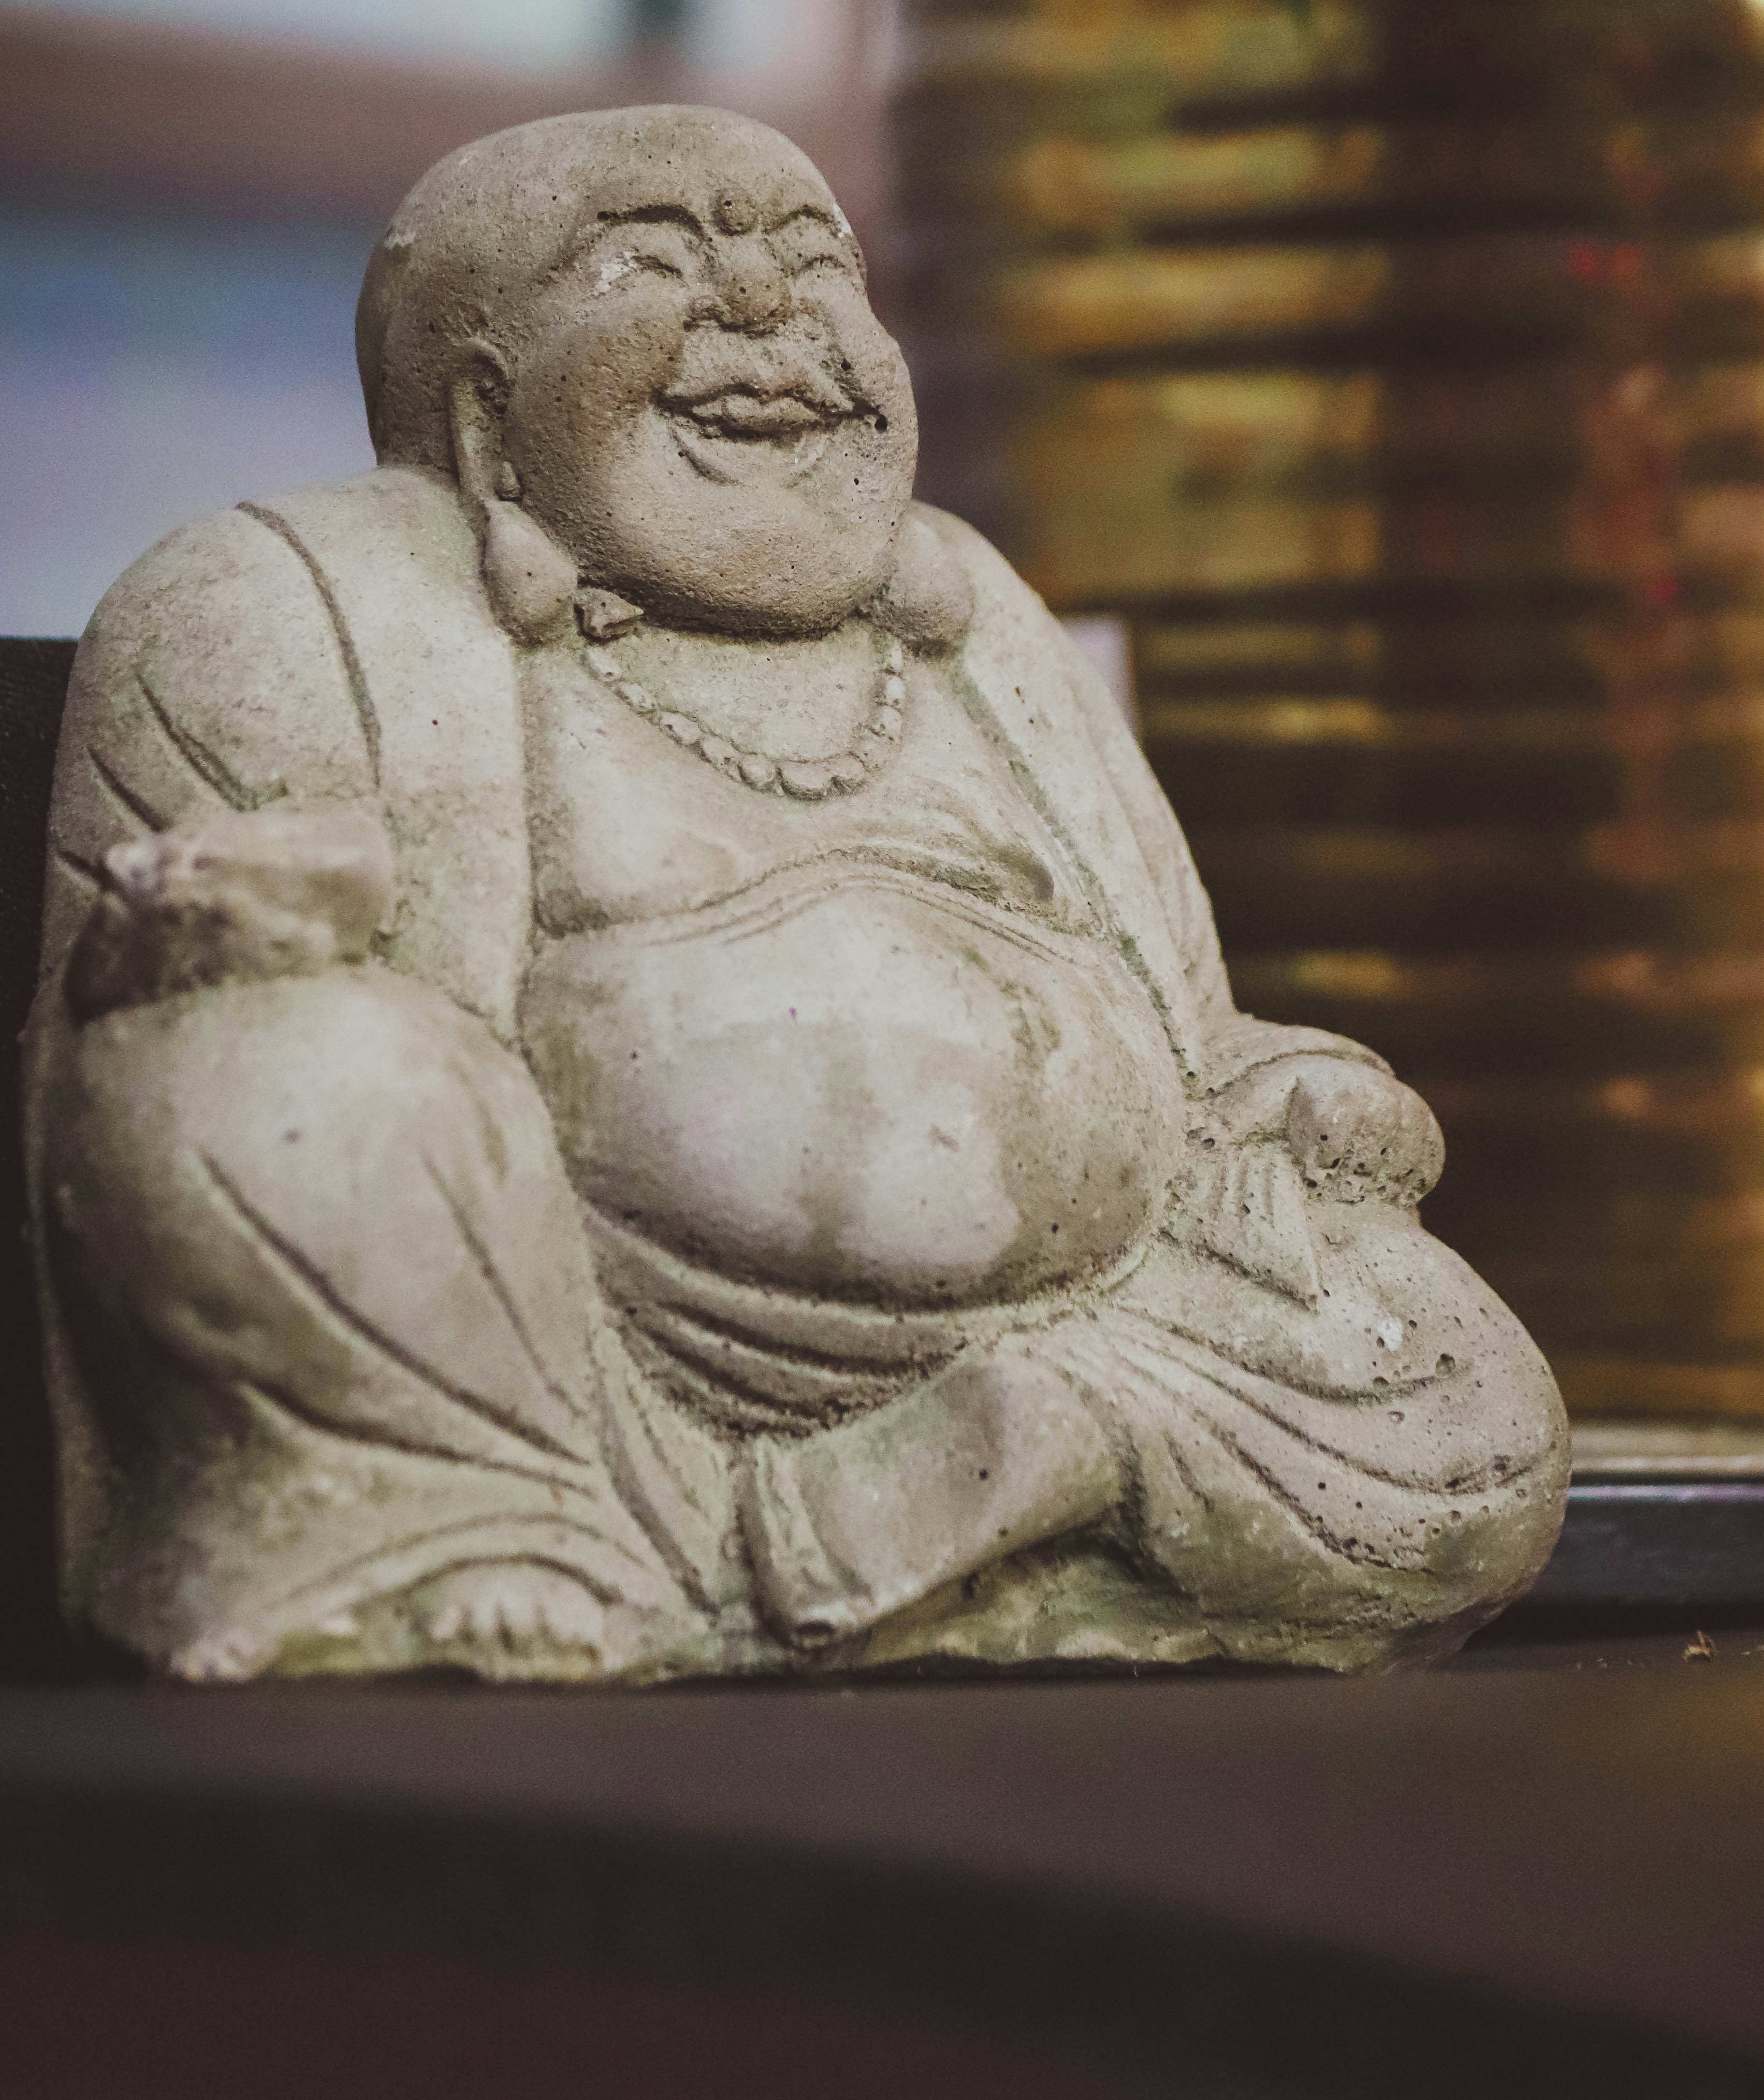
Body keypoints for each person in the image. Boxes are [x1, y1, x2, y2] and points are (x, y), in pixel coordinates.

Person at [25, 108, 1568, 1683]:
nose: (766, 317)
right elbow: (158, 997)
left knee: (1471, 1409)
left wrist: (1304, 1099)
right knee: (267, 1077)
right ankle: (500, 1529)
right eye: (650, 260)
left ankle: (1026, 1448)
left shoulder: (983, 626)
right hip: (559, 1383)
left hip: (1109, 1336)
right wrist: (232, 923)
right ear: (484, 415)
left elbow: (1197, 1040)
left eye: (812, 257)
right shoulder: (293, 596)